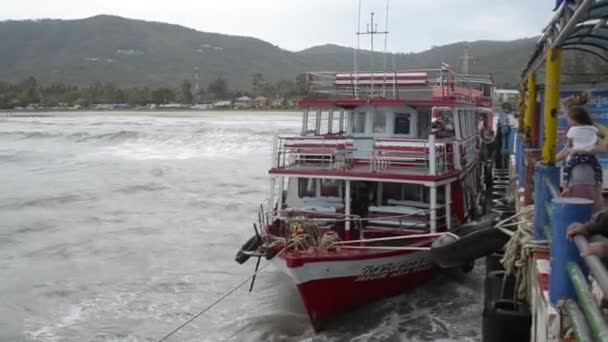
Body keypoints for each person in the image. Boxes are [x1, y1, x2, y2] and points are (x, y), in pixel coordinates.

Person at [556, 106, 604, 195]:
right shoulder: (591, 131)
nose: (567, 121)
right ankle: (599, 186)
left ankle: (565, 186)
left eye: (568, 118)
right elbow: (602, 147)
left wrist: (578, 150)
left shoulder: (573, 132)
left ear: (575, 120)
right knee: (598, 170)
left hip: (579, 176)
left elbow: (566, 151)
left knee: (567, 169)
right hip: (589, 169)